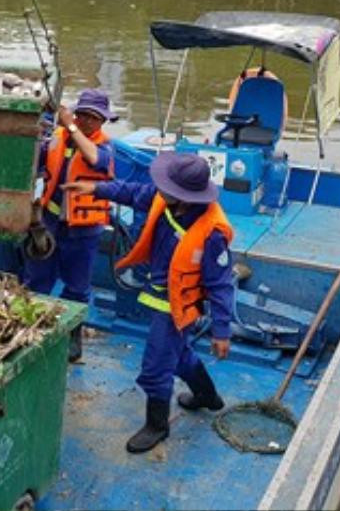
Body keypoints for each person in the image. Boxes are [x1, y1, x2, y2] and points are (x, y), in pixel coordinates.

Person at [64, 152, 235, 454]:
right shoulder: (164, 199)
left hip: (178, 308)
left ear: (185, 196)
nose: (159, 189)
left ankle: (157, 425)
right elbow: (131, 192)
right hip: (158, 293)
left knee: (156, 365)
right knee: (179, 356)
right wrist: (95, 188)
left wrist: (221, 331)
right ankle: (207, 395)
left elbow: (220, 284)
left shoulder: (212, 233)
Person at [25, 88, 116, 362]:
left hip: (83, 231)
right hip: (50, 223)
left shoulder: (105, 147)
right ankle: (29, 331)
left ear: (102, 121)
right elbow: (31, 159)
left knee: (77, 288)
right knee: (36, 280)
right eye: (82, 115)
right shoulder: (55, 140)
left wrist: (71, 126)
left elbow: (93, 159)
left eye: (93, 117)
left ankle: (73, 338)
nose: (87, 121)